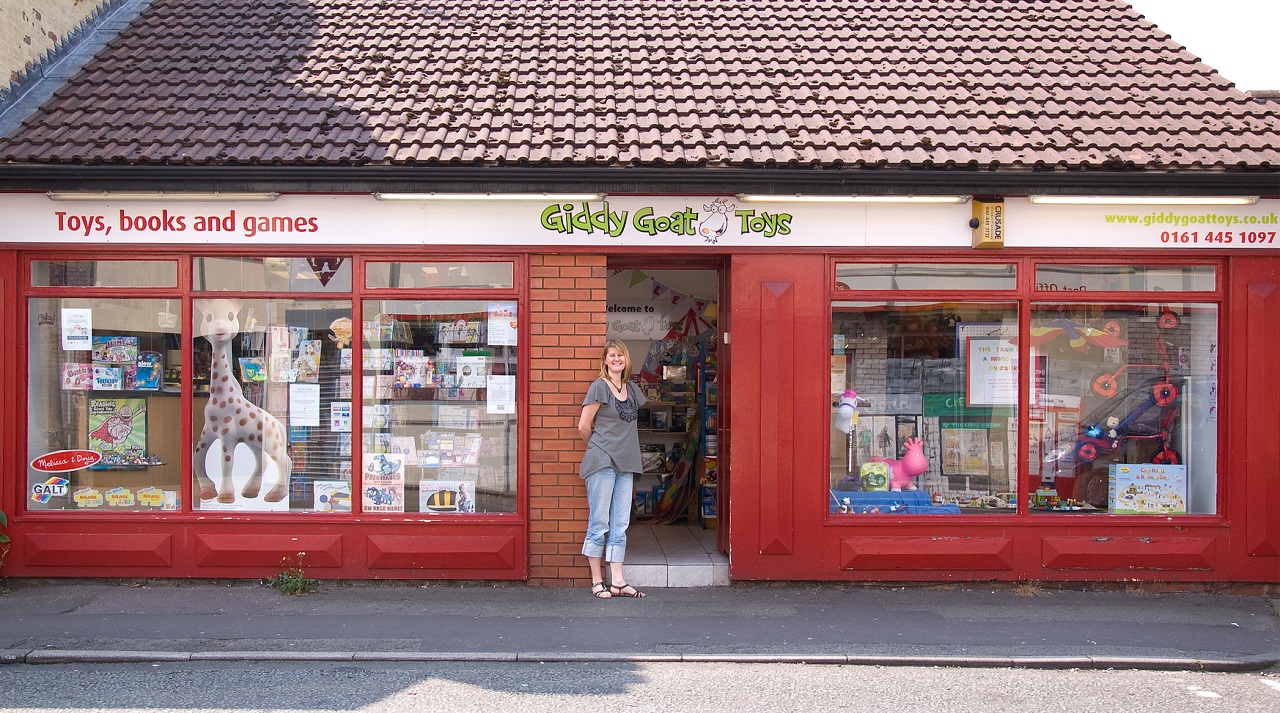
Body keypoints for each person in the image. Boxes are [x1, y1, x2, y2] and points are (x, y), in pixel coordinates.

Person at [577, 339, 648, 599]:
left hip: (626, 464)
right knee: (599, 522)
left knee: (620, 524)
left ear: (626, 360)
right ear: (605, 360)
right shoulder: (599, 387)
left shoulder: (632, 389)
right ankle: (597, 581)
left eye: (621, 355)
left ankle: (617, 581)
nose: (616, 359)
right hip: (603, 462)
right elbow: (584, 426)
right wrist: (599, 447)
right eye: (611, 355)